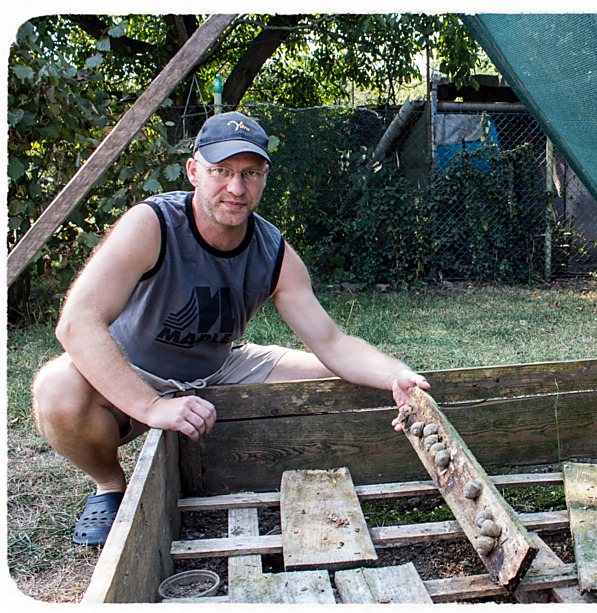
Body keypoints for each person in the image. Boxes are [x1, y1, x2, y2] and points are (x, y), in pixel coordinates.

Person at [31, 111, 429, 546]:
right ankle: (108, 484)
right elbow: (77, 323)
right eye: (221, 171)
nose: (236, 189)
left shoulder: (273, 251)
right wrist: (151, 407)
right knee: (56, 388)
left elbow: (332, 341)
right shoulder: (152, 224)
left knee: (336, 375)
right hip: (135, 369)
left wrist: (394, 374)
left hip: (219, 367)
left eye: (250, 174)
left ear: (264, 178)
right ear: (194, 171)